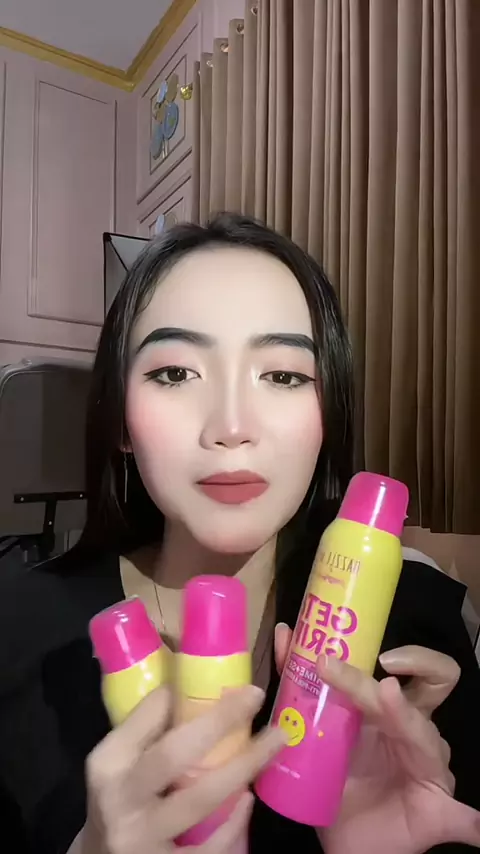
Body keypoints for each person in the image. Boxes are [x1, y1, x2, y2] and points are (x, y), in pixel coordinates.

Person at [0, 213, 479, 854]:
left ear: (329, 416)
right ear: (119, 420)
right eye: (175, 373)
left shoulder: (414, 632)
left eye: (283, 375)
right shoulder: (19, 630)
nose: (230, 427)